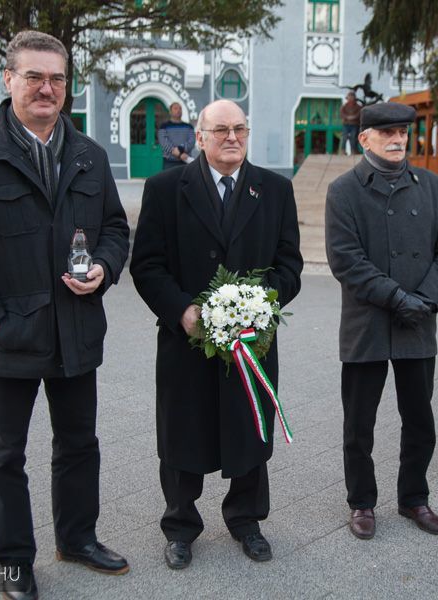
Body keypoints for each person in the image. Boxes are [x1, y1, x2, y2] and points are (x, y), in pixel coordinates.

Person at [0, 31, 130, 600]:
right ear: (8, 79)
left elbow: (116, 229)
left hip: (76, 330)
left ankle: (77, 538)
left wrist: (105, 269)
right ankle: (15, 561)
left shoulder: (89, 155)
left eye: (57, 78)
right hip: (8, 337)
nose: (47, 88)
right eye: (34, 76)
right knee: (5, 456)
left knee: (79, 443)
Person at [130, 99, 302, 570]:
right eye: (221, 129)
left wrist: (259, 305)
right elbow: (147, 264)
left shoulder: (275, 189)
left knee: (249, 429)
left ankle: (246, 520)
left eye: (240, 129)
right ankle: (180, 526)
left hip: (251, 342)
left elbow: (290, 264)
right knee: (183, 433)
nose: (232, 137)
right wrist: (182, 312)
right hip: (187, 341)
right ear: (200, 137)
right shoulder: (165, 189)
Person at [324, 102, 438, 540]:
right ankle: (361, 502)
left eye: (402, 132)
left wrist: (426, 300)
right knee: (359, 424)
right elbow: (346, 260)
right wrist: (398, 298)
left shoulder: (432, 187)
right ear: (365, 138)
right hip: (366, 324)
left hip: (417, 322)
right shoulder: (343, 191)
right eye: (387, 133)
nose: (398, 139)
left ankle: (414, 498)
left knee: (420, 420)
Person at [158, 102, 196, 170]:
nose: (178, 110)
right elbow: (164, 143)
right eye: (175, 108)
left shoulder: (189, 127)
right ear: (170, 112)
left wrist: (181, 148)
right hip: (169, 162)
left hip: (185, 161)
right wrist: (180, 154)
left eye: (180, 109)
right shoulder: (164, 126)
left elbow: (192, 141)